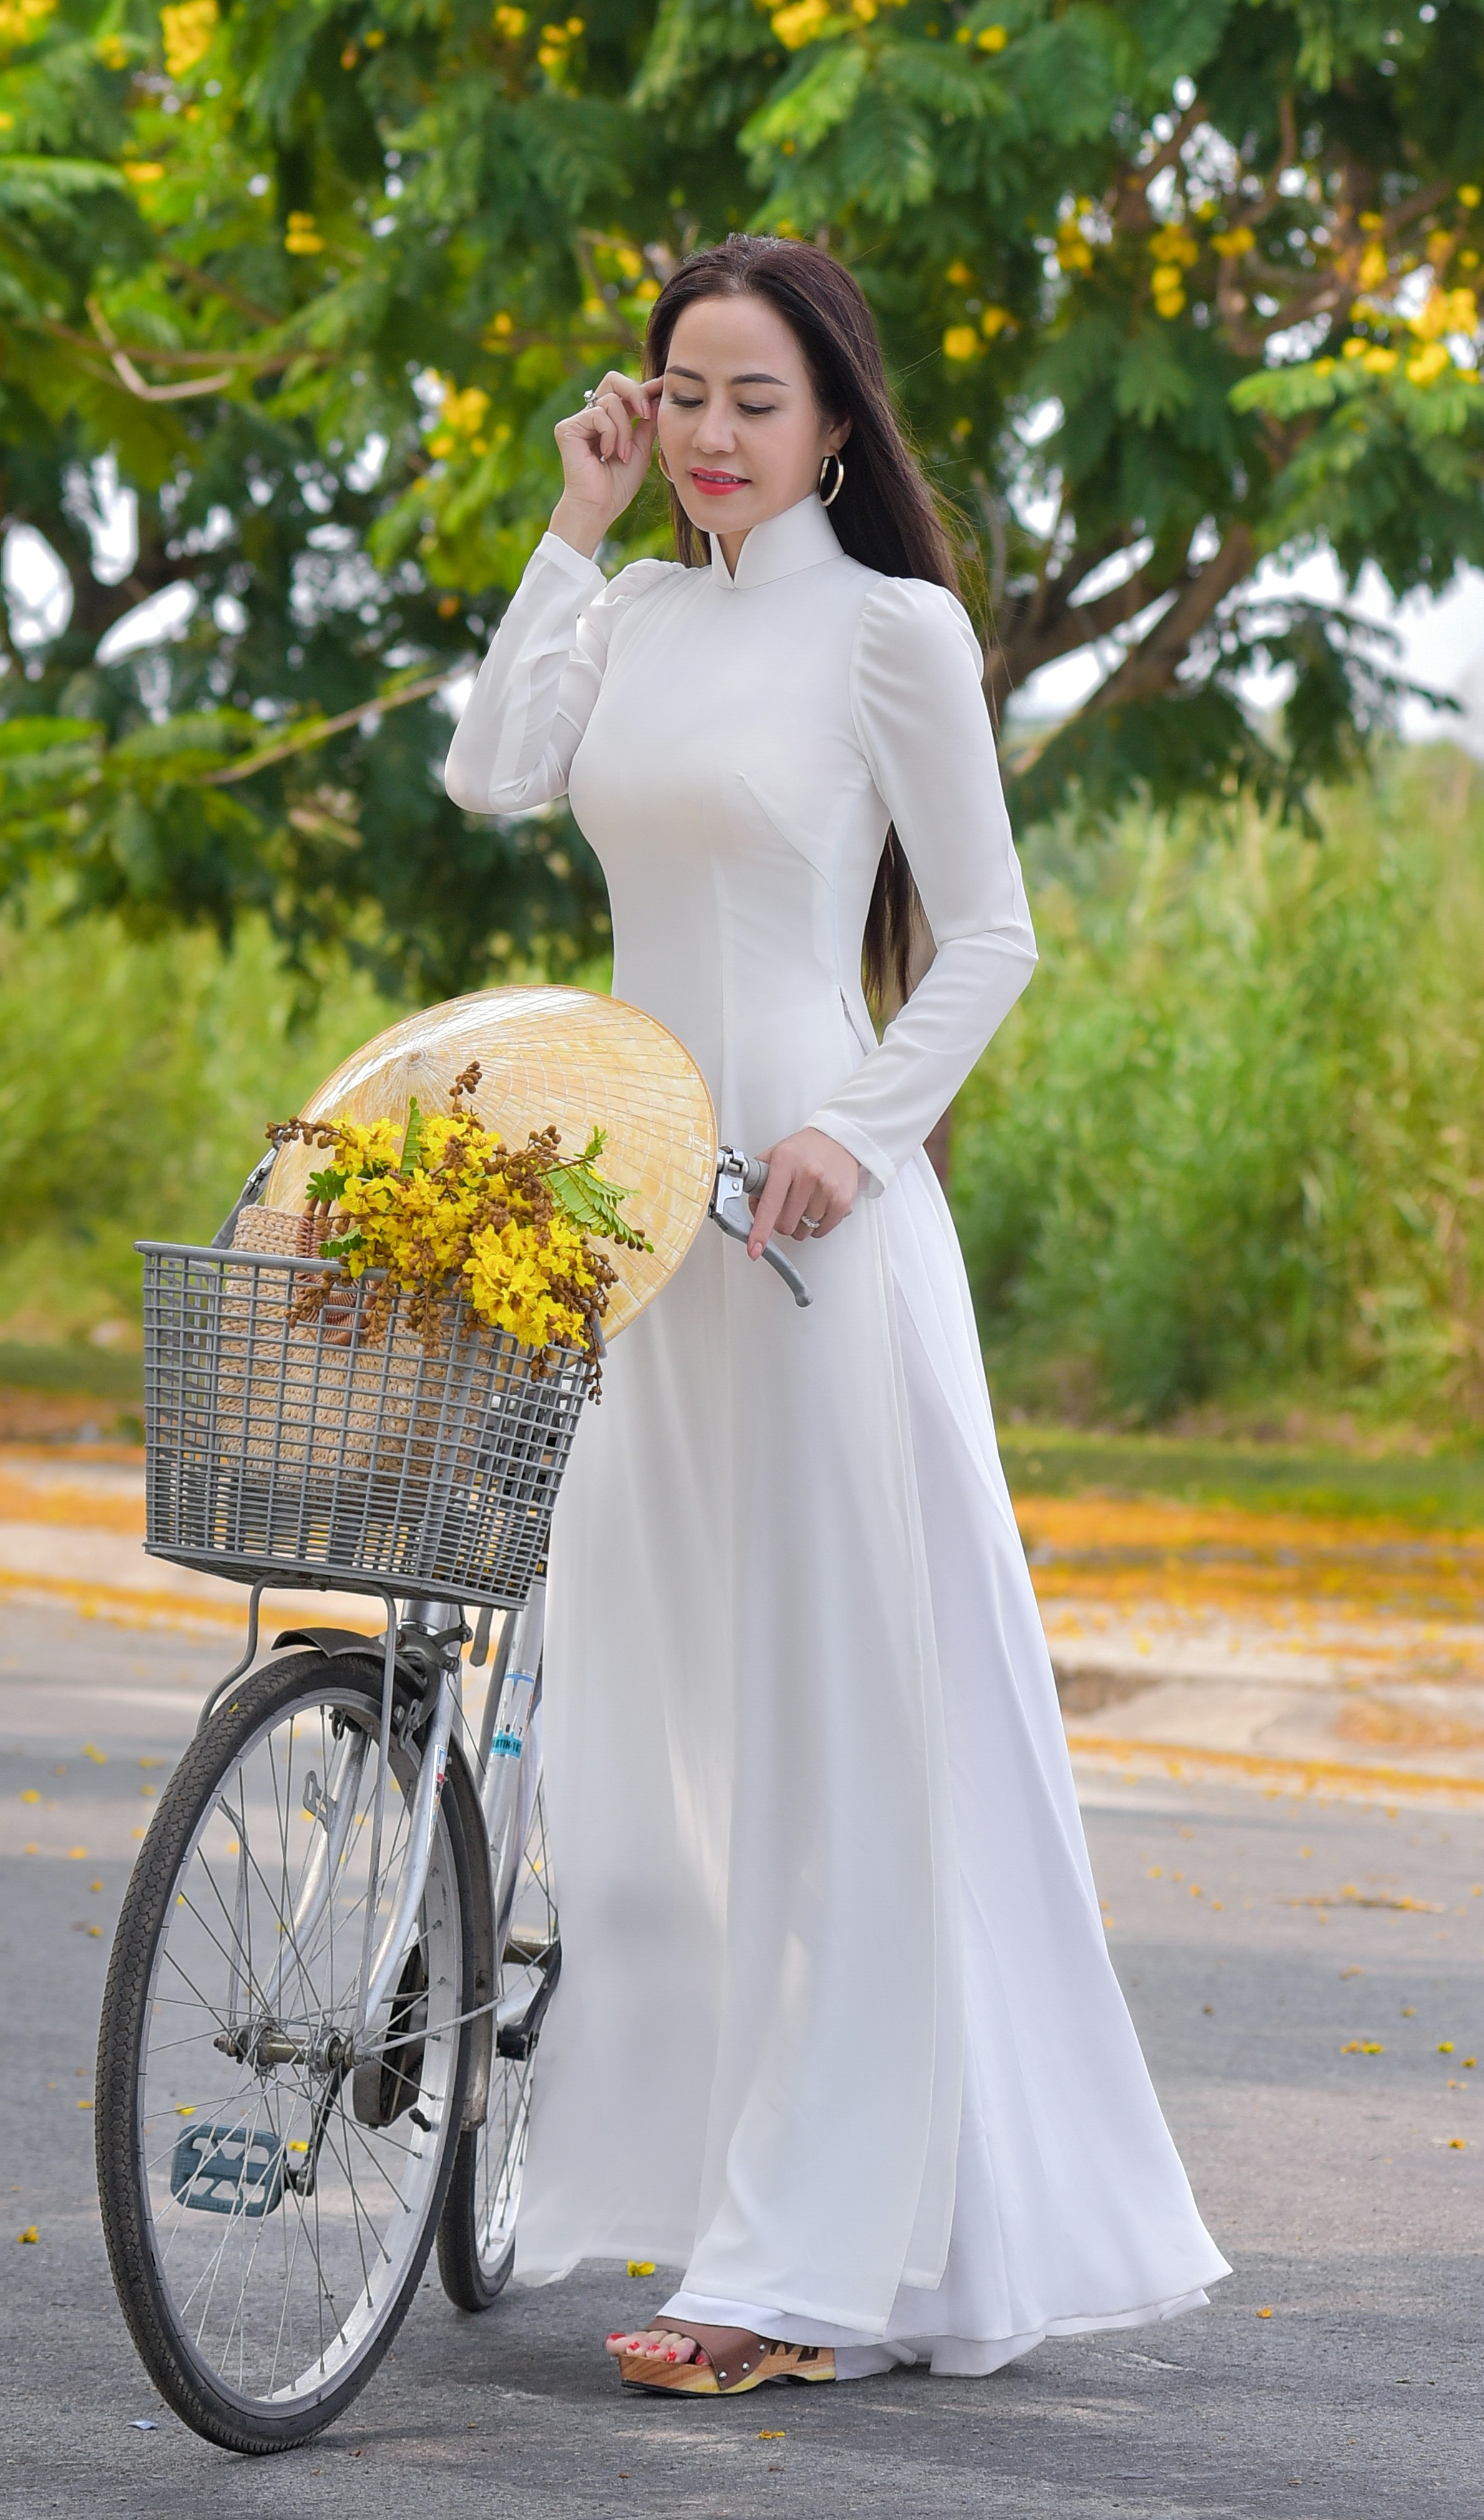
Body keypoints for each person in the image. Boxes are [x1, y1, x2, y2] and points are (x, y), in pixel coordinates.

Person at [442, 232, 1226, 2401]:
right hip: (633, 1225)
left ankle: (799, 2264)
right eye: (678, 392)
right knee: (674, 1736)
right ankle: (746, 2205)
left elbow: (987, 936)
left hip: (801, 1226)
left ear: (835, 426)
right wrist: (569, 523)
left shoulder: (893, 632)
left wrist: (860, 1136)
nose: (707, 434)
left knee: (833, 1736)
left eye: (750, 402)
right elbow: (493, 776)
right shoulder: (629, 609)